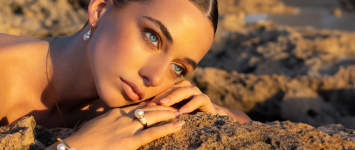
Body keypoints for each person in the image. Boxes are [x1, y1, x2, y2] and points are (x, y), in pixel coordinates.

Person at [0, 0, 251, 149]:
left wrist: (218, 114)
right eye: (152, 37)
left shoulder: (137, 99)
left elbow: (246, 121)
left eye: (178, 68)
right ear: (99, 10)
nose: (155, 77)